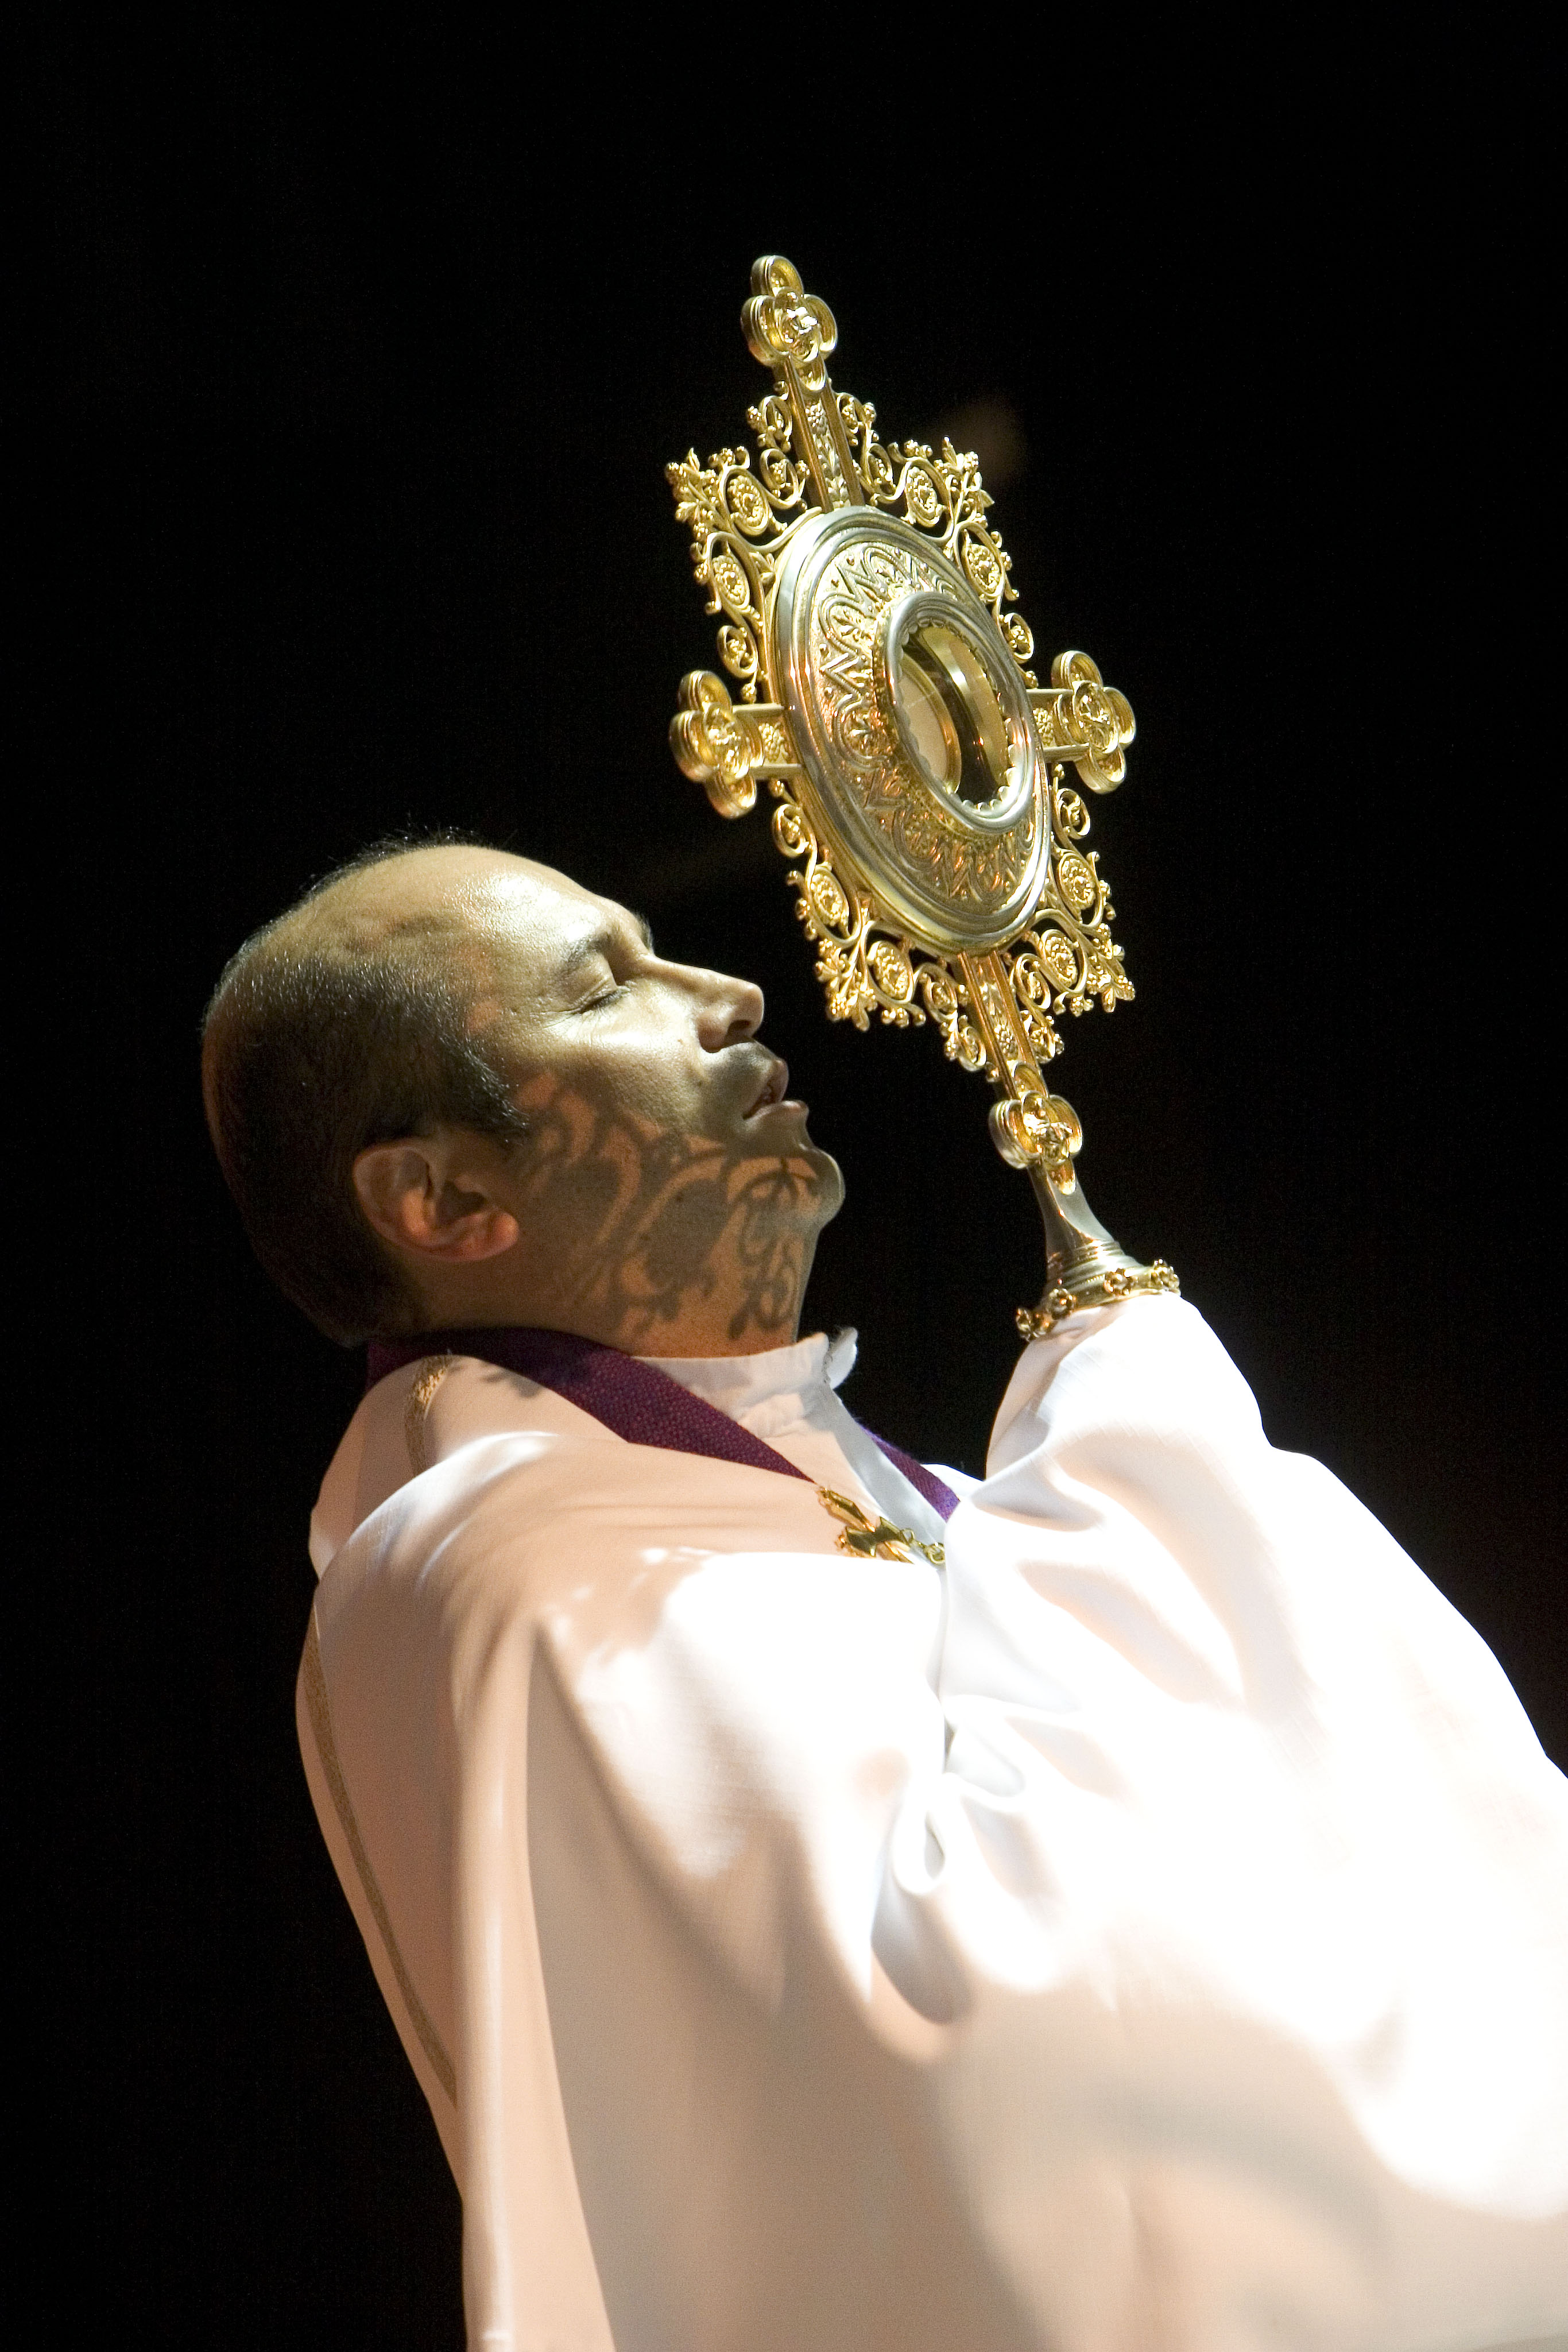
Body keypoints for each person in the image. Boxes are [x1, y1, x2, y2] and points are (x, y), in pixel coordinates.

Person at [203, 839, 1568, 2352]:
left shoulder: (857, 1492)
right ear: (446, 1198)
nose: (726, 994)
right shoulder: (519, 1572)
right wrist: (1152, 1455)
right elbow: (1002, 2041)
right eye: (605, 989)